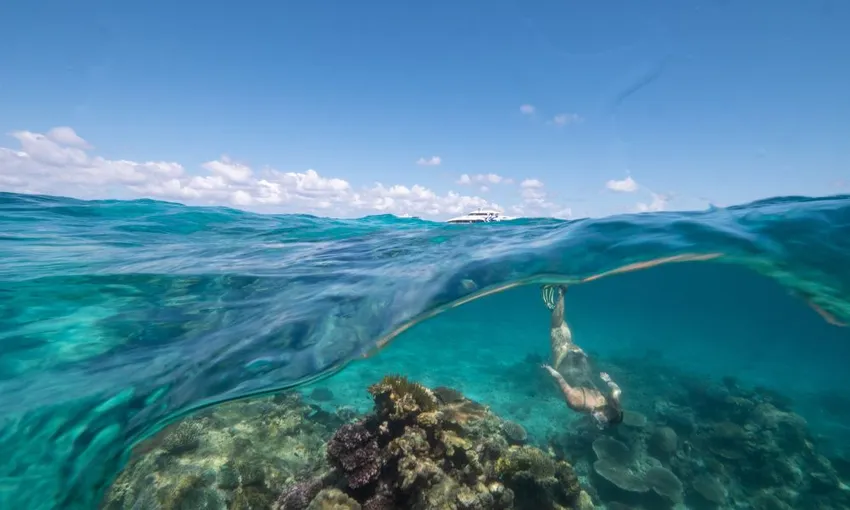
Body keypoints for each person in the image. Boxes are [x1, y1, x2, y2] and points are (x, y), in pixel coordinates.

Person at [540, 284, 624, 429]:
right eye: (601, 422)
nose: (599, 423)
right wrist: (549, 369)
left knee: (561, 326)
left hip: (579, 357)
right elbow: (561, 381)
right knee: (556, 327)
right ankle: (561, 292)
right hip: (564, 359)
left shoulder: (608, 402)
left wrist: (609, 380)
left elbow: (617, 390)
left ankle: (554, 304)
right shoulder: (577, 403)